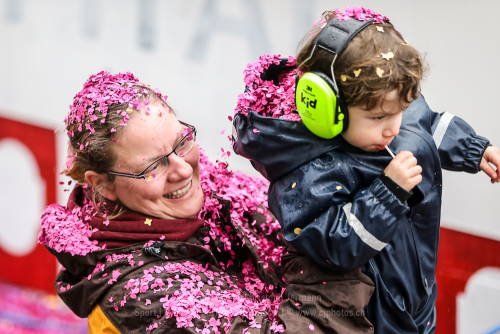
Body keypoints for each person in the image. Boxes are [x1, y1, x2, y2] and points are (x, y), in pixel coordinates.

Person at [232, 7, 500, 334]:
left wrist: (474, 149)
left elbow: (425, 123)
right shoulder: (307, 176)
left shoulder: (388, 107)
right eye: (378, 118)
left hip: (418, 296)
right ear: (328, 109)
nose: (393, 129)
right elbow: (335, 245)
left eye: (398, 110)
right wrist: (389, 192)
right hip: (377, 318)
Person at [38, 71, 287, 333]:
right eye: (154, 166)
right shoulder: (138, 295)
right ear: (102, 184)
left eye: (180, 143)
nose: (183, 171)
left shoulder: (213, 186)